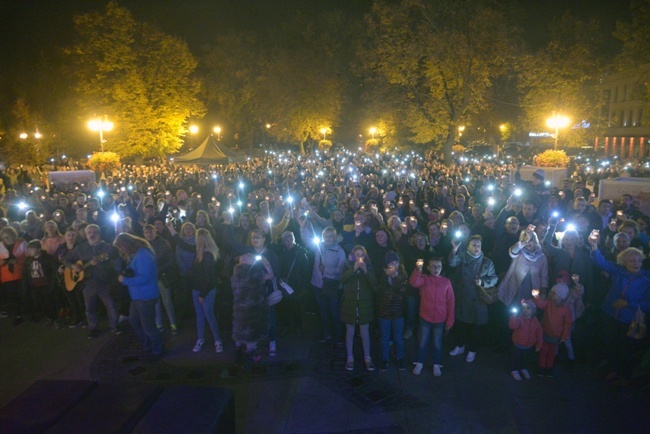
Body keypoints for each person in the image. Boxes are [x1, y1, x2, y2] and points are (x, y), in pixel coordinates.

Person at [589, 230, 650, 385]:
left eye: (638, 260)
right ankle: (613, 370)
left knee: (626, 349)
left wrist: (629, 304)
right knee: (611, 344)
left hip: (628, 319)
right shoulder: (618, 271)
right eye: (632, 260)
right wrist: (594, 246)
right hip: (609, 314)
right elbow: (601, 262)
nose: (636, 263)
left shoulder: (646, 279)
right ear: (624, 262)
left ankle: (624, 376)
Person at [63, 224, 122, 338]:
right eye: (89, 232)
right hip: (87, 283)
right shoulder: (81, 247)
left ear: (99, 233)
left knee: (111, 305)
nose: (92, 234)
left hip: (104, 282)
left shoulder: (107, 248)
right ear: (85, 234)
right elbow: (66, 259)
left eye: (94, 232)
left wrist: (99, 265)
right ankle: (93, 328)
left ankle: (114, 326)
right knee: (89, 308)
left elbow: (115, 266)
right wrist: (73, 267)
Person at [448, 234, 498, 363]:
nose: (477, 247)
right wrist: (454, 250)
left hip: (477, 299)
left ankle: (472, 350)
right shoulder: (463, 257)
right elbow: (452, 263)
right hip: (462, 295)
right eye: (474, 245)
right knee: (460, 324)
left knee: (475, 327)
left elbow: (494, 278)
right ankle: (460, 346)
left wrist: (482, 282)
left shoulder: (487, 262)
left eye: (478, 245)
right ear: (468, 247)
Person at [114, 233, 164, 357]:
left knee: (148, 326)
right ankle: (148, 345)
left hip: (145, 296)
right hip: (138, 296)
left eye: (121, 247)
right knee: (135, 321)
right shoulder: (138, 254)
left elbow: (145, 277)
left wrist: (125, 280)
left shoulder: (143, 255)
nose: (121, 250)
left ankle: (157, 349)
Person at [409, 257, 455, 377]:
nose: (436, 269)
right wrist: (418, 270)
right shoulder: (424, 279)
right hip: (425, 316)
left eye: (439, 266)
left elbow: (451, 301)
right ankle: (419, 362)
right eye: (433, 266)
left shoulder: (446, 282)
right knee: (422, 341)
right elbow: (413, 282)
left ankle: (436, 364)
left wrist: (450, 319)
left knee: (437, 343)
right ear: (428, 268)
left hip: (440, 318)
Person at [340, 245, 376, 371]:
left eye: (362, 255)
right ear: (353, 256)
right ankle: (350, 357)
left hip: (364, 304)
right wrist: (353, 270)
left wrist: (366, 271)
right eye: (357, 254)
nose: (359, 257)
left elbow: (375, 284)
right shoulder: (348, 266)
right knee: (349, 331)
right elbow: (342, 279)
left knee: (364, 331)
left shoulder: (369, 267)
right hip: (350, 303)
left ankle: (367, 357)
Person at [188, 228, 223, 353]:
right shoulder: (200, 252)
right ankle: (201, 338)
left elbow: (209, 278)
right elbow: (184, 245)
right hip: (197, 288)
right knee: (200, 315)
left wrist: (202, 294)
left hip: (206, 290)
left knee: (209, 314)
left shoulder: (208, 255)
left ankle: (217, 340)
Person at [232, 253, 270, 362]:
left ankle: (238, 354)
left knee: (239, 330)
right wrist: (266, 263)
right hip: (252, 309)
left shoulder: (236, 272)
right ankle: (250, 355)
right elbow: (270, 275)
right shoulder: (255, 273)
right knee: (251, 332)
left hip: (239, 307)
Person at [375, 251, 408, 371]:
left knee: (398, 337)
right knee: (384, 337)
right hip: (384, 311)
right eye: (391, 262)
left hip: (398, 312)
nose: (394, 265)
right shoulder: (381, 274)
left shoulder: (403, 274)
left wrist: (395, 278)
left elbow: (402, 290)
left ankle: (400, 358)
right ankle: (385, 359)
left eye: (396, 262)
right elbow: (379, 289)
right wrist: (385, 276)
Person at [143, 224, 178, 334]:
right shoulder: (143, 246)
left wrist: (160, 268)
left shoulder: (163, 243)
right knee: (155, 302)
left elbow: (171, 259)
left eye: (151, 232)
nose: (149, 234)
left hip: (162, 276)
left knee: (167, 301)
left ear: (155, 232)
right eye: (147, 232)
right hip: (150, 278)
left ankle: (173, 323)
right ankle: (159, 323)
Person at [531, 284, 572, 378]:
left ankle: (549, 368)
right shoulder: (549, 303)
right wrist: (537, 297)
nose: (552, 294)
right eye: (552, 292)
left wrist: (565, 335)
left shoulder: (565, 309)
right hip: (545, 332)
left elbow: (567, 323)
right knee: (543, 351)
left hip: (556, 336)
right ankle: (541, 367)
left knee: (552, 353)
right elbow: (540, 304)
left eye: (555, 293)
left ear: (561, 297)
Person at [23, 240, 59, 327]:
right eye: (29, 249)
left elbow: (53, 272)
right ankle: (49, 317)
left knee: (50, 302)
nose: (29, 251)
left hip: (46, 284)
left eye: (32, 249)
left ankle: (53, 318)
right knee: (41, 302)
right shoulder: (28, 260)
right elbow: (26, 273)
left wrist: (52, 284)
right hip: (35, 285)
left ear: (39, 249)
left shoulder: (47, 258)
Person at [0, 227, 29, 324]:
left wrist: (18, 262)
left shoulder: (22, 243)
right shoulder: (0, 246)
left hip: (21, 273)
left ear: (13, 234)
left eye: (8, 236)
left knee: (24, 294)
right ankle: (18, 315)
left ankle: (28, 311)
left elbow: (28, 257)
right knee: (13, 296)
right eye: (4, 237)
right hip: (7, 276)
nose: (6, 239)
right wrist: (3, 262)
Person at [508, 299, 542, 381]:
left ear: (533, 311)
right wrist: (513, 317)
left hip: (529, 346)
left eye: (528, 308)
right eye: (523, 308)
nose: (525, 310)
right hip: (518, 344)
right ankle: (514, 370)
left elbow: (539, 333)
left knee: (526, 359)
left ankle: (524, 369)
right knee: (516, 358)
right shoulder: (519, 318)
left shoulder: (536, 321)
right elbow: (512, 326)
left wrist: (539, 345)